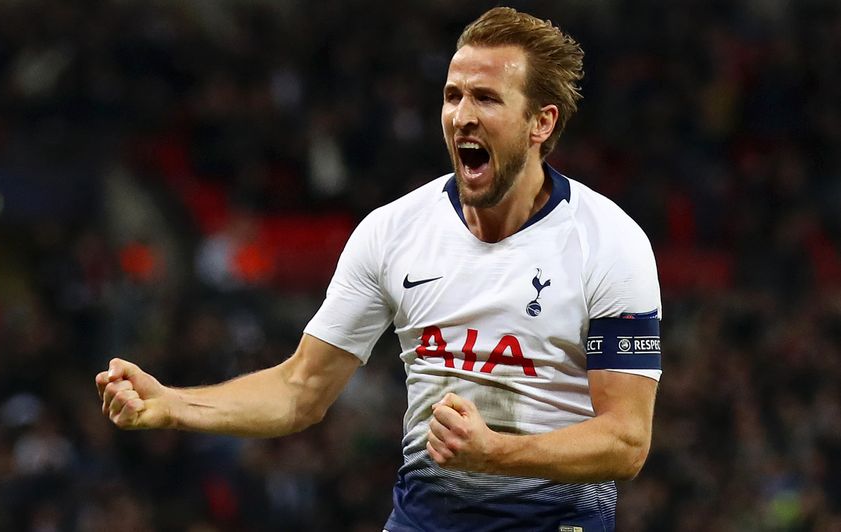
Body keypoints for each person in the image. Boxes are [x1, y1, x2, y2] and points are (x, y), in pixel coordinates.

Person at [96, 7, 661, 531]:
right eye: (453, 96)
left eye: (486, 99)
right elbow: (300, 389)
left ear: (540, 122)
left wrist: (497, 453)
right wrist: (173, 404)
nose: (462, 116)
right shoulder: (393, 232)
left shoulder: (609, 244)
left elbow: (627, 442)